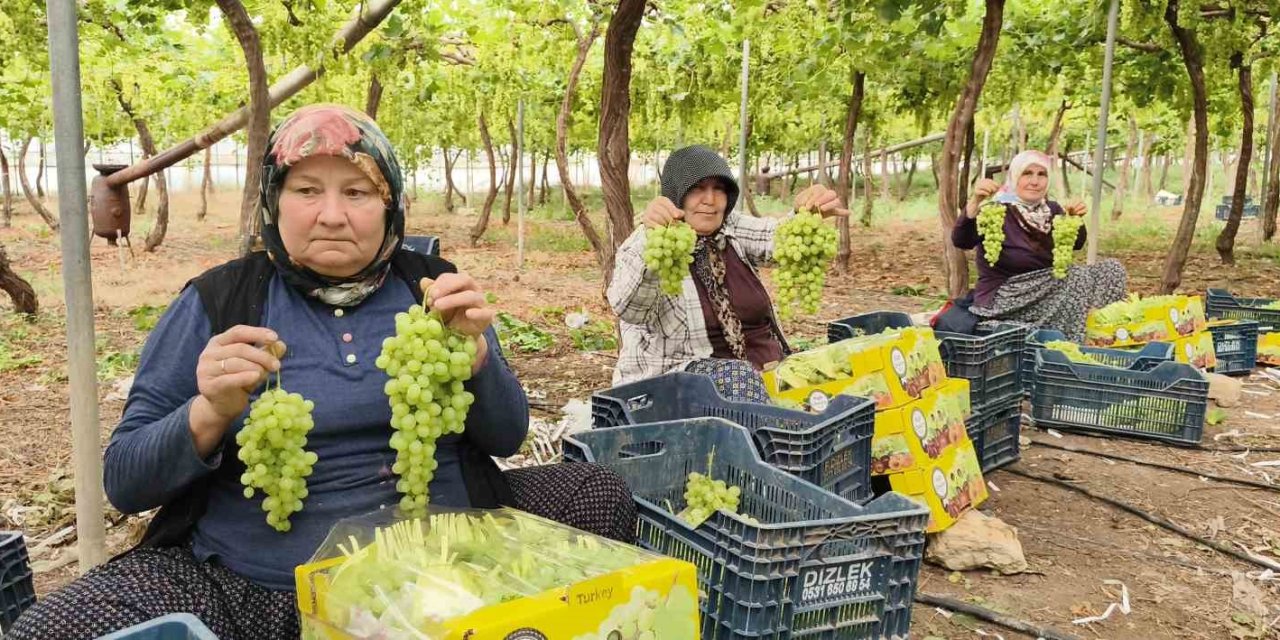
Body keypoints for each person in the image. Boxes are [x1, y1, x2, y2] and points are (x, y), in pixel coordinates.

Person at [9, 104, 634, 640]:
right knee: (55, 626)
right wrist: (208, 414)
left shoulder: (433, 291)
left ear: (391, 209)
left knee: (600, 491)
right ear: (273, 204)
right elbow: (124, 481)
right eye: (307, 190)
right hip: (262, 588)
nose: (332, 214)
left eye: (357, 192)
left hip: (447, 561)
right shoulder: (219, 302)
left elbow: (506, 438)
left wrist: (479, 363)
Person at [607, 145, 847, 400]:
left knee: (833, 377)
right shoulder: (648, 245)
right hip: (674, 387)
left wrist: (804, 214)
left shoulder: (729, 229)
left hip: (762, 375)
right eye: (698, 188)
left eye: (719, 189)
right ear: (677, 195)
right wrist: (651, 241)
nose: (710, 200)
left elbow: (775, 238)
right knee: (741, 379)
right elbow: (630, 309)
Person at [951, 149, 1127, 341]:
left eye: (1041, 174)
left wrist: (1074, 218)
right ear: (1015, 177)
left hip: (1048, 289)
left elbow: (1076, 244)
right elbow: (962, 240)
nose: (1035, 181)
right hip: (1007, 295)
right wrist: (975, 201)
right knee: (1075, 277)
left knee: (1112, 269)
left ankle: (1101, 336)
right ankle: (1069, 343)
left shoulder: (1052, 209)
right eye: (1027, 173)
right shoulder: (995, 210)